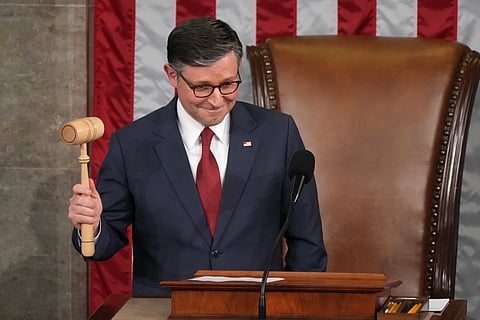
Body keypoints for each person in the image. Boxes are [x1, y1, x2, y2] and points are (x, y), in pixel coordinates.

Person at [68, 17, 327, 297]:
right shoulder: (131, 144)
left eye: (228, 84)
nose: (216, 100)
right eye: (202, 88)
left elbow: (307, 241)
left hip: (257, 309)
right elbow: (104, 243)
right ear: (172, 75)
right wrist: (92, 226)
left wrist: (294, 307)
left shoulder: (278, 133)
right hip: (166, 308)